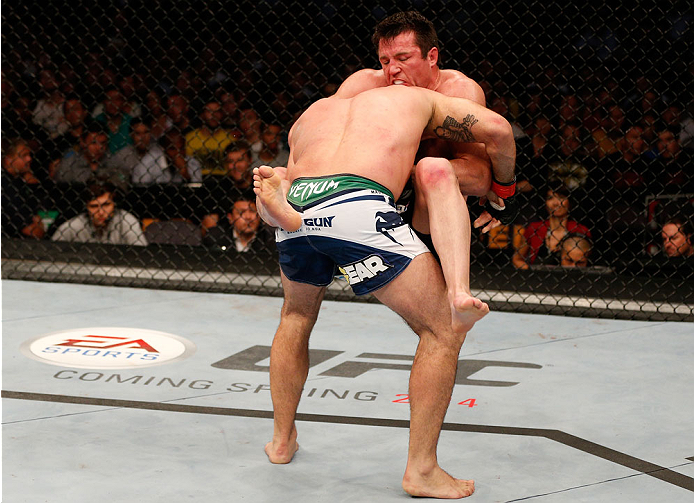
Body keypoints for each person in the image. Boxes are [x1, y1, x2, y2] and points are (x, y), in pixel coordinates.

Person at [253, 85, 515, 499]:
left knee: (296, 316)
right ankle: (422, 470)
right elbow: (498, 129)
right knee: (444, 329)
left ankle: (282, 442)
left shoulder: (317, 111)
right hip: (354, 203)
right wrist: (506, 189)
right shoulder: (419, 99)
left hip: (299, 206)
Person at [334, 11, 512, 251]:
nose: (392, 70)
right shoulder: (364, 86)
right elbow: (324, 138)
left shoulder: (457, 92)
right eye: (385, 61)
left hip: (428, 210)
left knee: (432, 168)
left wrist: (407, 174)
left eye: (403, 58)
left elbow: (480, 177)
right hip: (366, 202)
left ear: (432, 56)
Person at [512, 184, 591, 269]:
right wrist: (532, 271)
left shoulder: (580, 230)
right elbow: (517, 259)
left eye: (561, 197)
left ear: (569, 201)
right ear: (545, 203)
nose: (556, 203)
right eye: (550, 198)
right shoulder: (534, 229)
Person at [51, 179, 147, 245]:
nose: (101, 212)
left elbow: (142, 255)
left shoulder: (126, 222)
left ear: (114, 204)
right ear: (86, 207)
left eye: (106, 205)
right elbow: (51, 252)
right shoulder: (73, 226)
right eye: (94, 206)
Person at [54, 122, 130, 192]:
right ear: (82, 142)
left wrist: (110, 183)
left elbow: (123, 178)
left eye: (103, 143)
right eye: (93, 143)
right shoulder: (71, 157)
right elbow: (61, 183)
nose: (99, 148)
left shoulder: (112, 158)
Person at [1, 137, 52, 238]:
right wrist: (38, 223)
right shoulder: (7, 186)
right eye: (23, 156)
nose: (29, 159)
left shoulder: (17, 181)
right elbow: (33, 231)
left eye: (29, 155)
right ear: (8, 160)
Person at [185, 98, 239, 176]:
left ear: (222, 114)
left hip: (224, 180)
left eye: (217, 111)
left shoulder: (230, 139)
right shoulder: (190, 138)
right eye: (209, 111)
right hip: (197, 179)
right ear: (202, 114)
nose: (213, 114)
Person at [201, 197, 274, 253]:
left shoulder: (271, 240)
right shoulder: (215, 236)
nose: (248, 217)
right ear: (230, 218)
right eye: (241, 212)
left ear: (259, 215)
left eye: (252, 211)